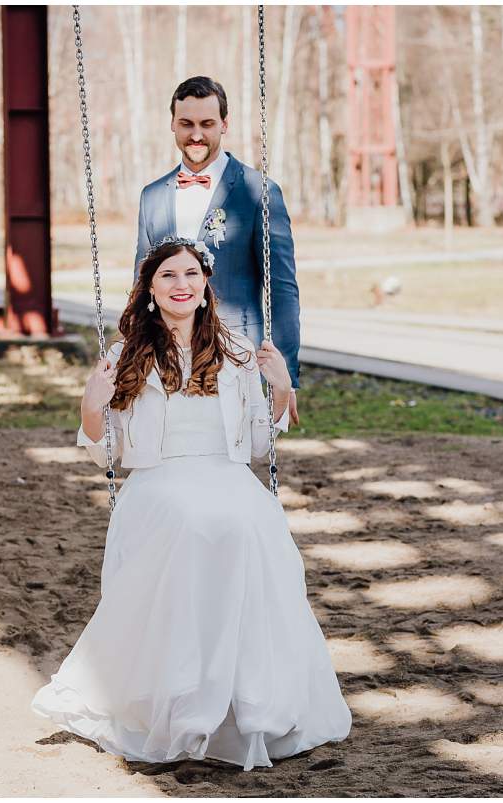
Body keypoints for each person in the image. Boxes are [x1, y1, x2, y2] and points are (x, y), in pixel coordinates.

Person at [31, 240, 351, 771]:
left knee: (250, 521)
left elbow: (254, 446)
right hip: (160, 480)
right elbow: (106, 454)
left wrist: (278, 391)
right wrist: (91, 407)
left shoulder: (239, 351)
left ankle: (248, 704)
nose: (181, 284)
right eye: (167, 277)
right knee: (192, 522)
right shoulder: (123, 356)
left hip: (225, 475)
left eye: (191, 275)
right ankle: (182, 702)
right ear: (150, 292)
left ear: (205, 287)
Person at [135, 75, 302, 427]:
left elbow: (282, 288)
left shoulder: (259, 191)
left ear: (224, 125)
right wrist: (134, 356)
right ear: (173, 125)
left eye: (207, 124)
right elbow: (141, 283)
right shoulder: (152, 196)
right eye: (187, 124)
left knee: (237, 461)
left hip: (237, 355)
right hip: (165, 357)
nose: (196, 134)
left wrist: (286, 374)